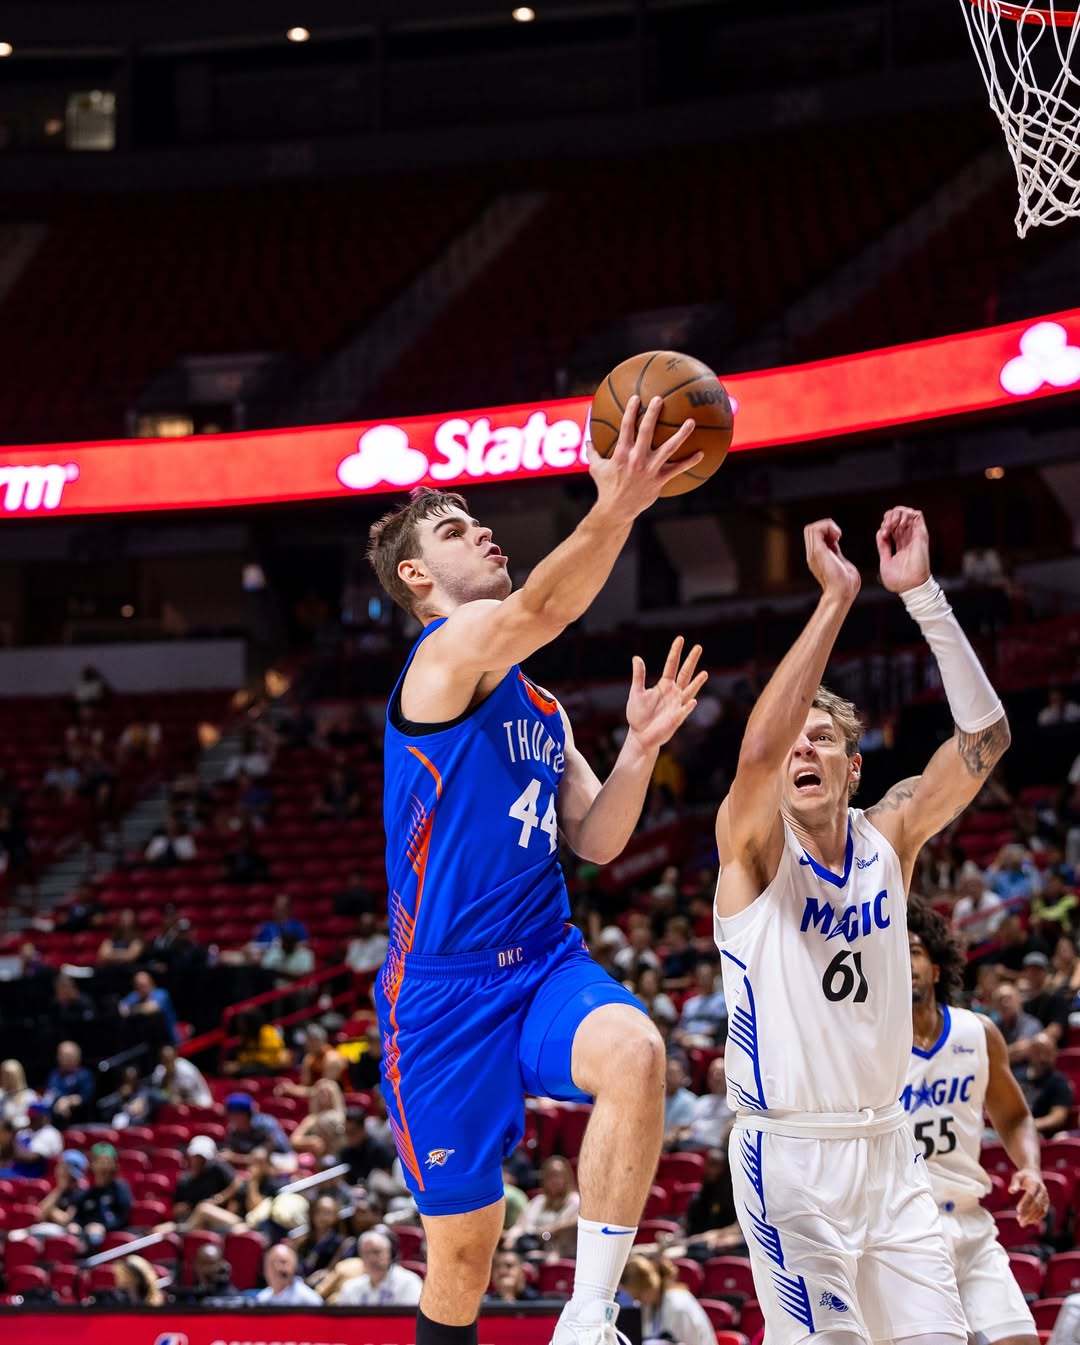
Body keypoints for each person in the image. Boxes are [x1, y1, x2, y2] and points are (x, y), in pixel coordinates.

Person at [366, 399, 708, 1345]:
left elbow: (596, 841)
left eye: (476, 519)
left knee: (638, 1053)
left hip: (544, 959)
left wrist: (638, 750)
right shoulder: (439, 660)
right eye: (451, 529)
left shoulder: (543, 703)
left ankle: (590, 1317)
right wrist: (620, 505)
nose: (480, 529)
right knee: (465, 1262)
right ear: (416, 575)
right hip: (438, 995)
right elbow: (546, 608)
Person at [714, 506, 1012, 1343]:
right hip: (790, 1159)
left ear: (854, 764)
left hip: (890, 1152)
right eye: (794, 741)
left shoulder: (893, 835)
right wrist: (837, 596)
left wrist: (922, 597)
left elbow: (986, 738)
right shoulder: (751, 852)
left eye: (823, 739)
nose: (801, 751)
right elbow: (755, 754)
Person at [904, 897, 1043, 1345]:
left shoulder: (976, 1032)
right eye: (892, 953)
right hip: (908, 1233)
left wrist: (1031, 1168)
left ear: (937, 968)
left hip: (971, 1221)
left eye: (914, 951)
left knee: (1020, 1340)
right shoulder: (869, 1050)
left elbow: (1015, 1114)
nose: (904, 962)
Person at [620, 1256, 716, 1345]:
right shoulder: (650, 1305)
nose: (637, 1302)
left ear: (648, 1286)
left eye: (638, 1297)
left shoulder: (678, 1306)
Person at [335, 1228, 423, 1306]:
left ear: (390, 1254)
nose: (371, 1259)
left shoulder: (409, 1283)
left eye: (377, 1252)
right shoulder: (350, 1287)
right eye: (366, 1253)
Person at [68, 1142, 133, 1249]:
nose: (103, 1166)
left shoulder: (120, 1188)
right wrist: (75, 1225)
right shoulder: (87, 1193)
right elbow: (78, 1217)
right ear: (92, 1164)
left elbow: (125, 1217)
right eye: (99, 1161)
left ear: (114, 1165)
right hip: (87, 1234)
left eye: (107, 1161)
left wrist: (104, 1227)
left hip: (113, 1237)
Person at [1014, 1033, 1074, 1136]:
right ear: (1030, 1052)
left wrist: (1031, 1125)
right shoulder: (1017, 1077)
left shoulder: (1058, 1081)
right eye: (1038, 1052)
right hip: (1013, 1131)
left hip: (1038, 1134)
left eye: (1048, 1052)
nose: (1043, 1057)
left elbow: (1057, 1118)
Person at [171, 1136, 238, 1226]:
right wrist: (182, 1208)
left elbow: (237, 1182)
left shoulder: (217, 1169)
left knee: (203, 1209)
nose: (198, 1161)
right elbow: (177, 1209)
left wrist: (218, 1199)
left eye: (202, 1158)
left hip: (218, 1221)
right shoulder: (184, 1180)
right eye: (196, 1157)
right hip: (192, 1222)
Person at [118, 969, 178, 1044]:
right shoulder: (135, 996)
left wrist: (133, 1010)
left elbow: (152, 1007)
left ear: (151, 983)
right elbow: (122, 1007)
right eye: (138, 986)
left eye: (144, 985)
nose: (142, 989)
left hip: (170, 1038)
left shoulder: (161, 993)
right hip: (147, 1041)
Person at [42, 1039, 96, 1122]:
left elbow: (85, 1097)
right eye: (60, 1055)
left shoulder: (84, 1075)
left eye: (67, 1055)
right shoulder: (54, 1075)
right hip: (54, 1118)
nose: (63, 1058)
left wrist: (68, 1101)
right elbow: (50, 1094)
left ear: (77, 1057)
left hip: (79, 1119)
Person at [255, 1243, 323, 1306]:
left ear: (294, 1266)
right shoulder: (262, 1299)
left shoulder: (309, 1300)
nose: (277, 1268)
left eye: (283, 1262)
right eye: (272, 1263)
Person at [0, 1059, 35, 1126]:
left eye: (9, 1076)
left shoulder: (29, 1095)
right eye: (3, 1074)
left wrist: (12, 1123)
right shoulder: (0, 1094)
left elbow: (32, 1119)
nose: (5, 1078)